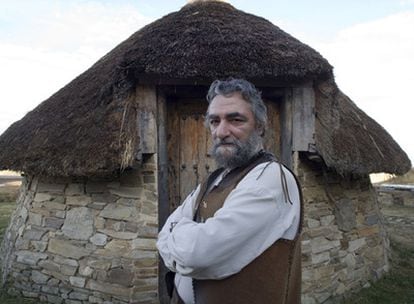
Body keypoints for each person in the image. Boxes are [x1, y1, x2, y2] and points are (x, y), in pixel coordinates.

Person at [157, 78, 302, 304]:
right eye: (215, 121)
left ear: (260, 126)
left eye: (235, 119)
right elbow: (165, 233)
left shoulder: (270, 179)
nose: (222, 132)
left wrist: (178, 237)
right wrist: (183, 238)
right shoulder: (215, 178)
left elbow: (198, 253)